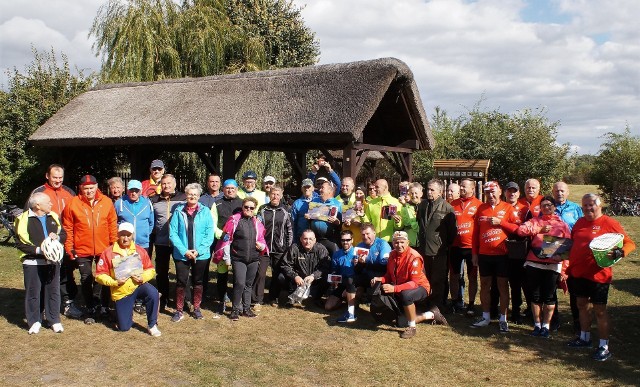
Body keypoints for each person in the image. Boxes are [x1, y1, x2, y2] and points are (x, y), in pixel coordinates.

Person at [566, 193, 635, 361]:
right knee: (581, 305)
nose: (588, 208)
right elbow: (573, 243)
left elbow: (630, 243)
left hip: (599, 275)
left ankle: (604, 346)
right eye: (585, 206)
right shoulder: (580, 222)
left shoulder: (609, 223)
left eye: (591, 205)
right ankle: (584, 338)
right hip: (578, 273)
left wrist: (620, 252)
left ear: (599, 206)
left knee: (600, 311)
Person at [28, 164, 82, 319]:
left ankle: (67, 303)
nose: (58, 180)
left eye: (60, 177)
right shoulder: (39, 192)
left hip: (66, 240)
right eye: (54, 177)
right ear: (47, 176)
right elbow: (29, 218)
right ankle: (45, 307)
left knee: (66, 273)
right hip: (46, 242)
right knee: (46, 273)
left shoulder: (69, 192)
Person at [62, 175, 118, 323]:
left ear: (97, 186)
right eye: (85, 188)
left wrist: (114, 245)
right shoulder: (73, 203)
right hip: (82, 248)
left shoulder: (106, 202)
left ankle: (104, 306)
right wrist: (69, 247)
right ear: (80, 189)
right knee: (86, 277)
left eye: (91, 188)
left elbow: (112, 224)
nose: (89, 191)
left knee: (104, 277)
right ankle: (90, 307)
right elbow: (67, 228)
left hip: (104, 247)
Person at [371, 231, 447, 339]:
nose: (399, 245)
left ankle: (412, 327)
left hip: (420, 287)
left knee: (406, 296)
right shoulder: (392, 255)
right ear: (393, 243)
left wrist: (394, 288)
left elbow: (414, 283)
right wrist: (380, 279)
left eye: (402, 242)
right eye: (396, 242)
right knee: (400, 322)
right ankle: (432, 314)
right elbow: (389, 275)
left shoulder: (414, 257)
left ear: (408, 242)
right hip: (401, 288)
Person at [516, 196, 570, 338]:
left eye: (549, 205)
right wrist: (539, 229)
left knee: (550, 296)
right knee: (535, 296)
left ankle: (546, 326)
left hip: (553, 265)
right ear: (540, 208)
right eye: (544, 205)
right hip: (534, 263)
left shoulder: (562, 224)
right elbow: (521, 231)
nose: (547, 207)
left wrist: (564, 269)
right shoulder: (535, 221)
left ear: (554, 207)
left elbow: (569, 247)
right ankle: (537, 324)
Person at [95, 222, 161, 336]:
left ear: (133, 235)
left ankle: (152, 324)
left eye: (128, 235)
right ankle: (120, 313)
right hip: (121, 291)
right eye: (122, 235)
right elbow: (99, 275)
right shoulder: (108, 252)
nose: (125, 238)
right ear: (118, 235)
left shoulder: (140, 250)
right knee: (124, 328)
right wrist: (114, 282)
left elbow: (150, 269)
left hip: (138, 286)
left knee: (153, 292)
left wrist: (142, 278)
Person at [470, 181, 520, 333]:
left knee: (502, 286)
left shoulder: (508, 208)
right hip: (485, 254)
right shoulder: (481, 208)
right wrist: (474, 253)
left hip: (502, 255)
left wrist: (502, 222)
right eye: (487, 193)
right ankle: (485, 317)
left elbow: (518, 228)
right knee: (485, 285)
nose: (490, 196)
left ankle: (503, 319)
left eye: (493, 192)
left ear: (500, 192)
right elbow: (475, 233)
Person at [15, 192, 67, 334]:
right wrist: (40, 250)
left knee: (53, 291)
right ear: (38, 205)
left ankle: (54, 320)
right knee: (33, 292)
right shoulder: (22, 219)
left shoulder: (53, 216)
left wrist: (57, 237)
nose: (51, 204)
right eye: (48, 202)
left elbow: (63, 234)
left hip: (52, 262)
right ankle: (34, 321)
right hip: (32, 262)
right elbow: (20, 243)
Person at [215, 197, 268, 321]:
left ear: (255, 209)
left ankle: (246, 309)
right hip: (238, 258)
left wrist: (261, 246)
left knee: (248, 285)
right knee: (239, 283)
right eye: (246, 207)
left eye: (251, 208)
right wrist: (227, 257)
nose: (248, 209)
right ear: (242, 207)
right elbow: (227, 241)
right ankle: (235, 309)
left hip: (254, 258)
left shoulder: (257, 223)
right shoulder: (234, 221)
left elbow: (261, 239)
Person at [169, 183, 215, 322]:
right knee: (181, 282)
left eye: (195, 194)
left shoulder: (205, 211)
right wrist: (184, 251)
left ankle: (196, 308)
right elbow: (173, 233)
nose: (192, 196)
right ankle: (179, 310)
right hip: (181, 254)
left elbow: (209, 233)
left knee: (198, 281)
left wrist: (198, 251)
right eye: (190, 194)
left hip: (201, 254)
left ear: (199, 196)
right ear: (186, 194)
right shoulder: (178, 211)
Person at [416, 179, 457, 310]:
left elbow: (452, 232)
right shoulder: (422, 205)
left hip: (438, 251)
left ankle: (437, 306)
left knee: (438, 280)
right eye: (428, 189)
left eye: (432, 190)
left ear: (440, 192)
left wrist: (442, 244)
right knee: (424, 278)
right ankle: (424, 302)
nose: (429, 192)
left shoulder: (447, 208)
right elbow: (419, 223)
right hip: (423, 249)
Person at [150, 174, 187, 310]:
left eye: (169, 183)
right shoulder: (154, 200)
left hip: (179, 243)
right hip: (161, 242)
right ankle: (163, 298)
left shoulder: (183, 198)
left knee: (181, 273)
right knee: (162, 272)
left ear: (175, 184)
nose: (166, 186)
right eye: (164, 183)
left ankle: (181, 300)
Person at [552, 181, 584, 332]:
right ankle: (554, 319)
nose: (560, 193)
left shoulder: (576, 208)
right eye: (557, 191)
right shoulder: (547, 206)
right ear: (553, 192)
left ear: (568, 192)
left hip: (572, 249)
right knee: (552, 285)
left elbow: (583, 226)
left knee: (573, 286)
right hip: (553, 247)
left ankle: (577, 320)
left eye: (562, 191)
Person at [449, 178, 482, 315]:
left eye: (464, 187)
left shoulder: (479, 205)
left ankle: (471, 304)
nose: (461, 189)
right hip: (455, 246)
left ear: (472, 189)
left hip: (471, 247)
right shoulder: (453, 204)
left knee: (472, 276)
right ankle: (455, 302)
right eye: (460, 186)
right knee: (454, 275)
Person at [255, 185, 293, 307]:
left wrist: (288, 247)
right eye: (273, 194)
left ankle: (273, 297)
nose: (275, 196)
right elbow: (256, 227)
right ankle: (257, 299)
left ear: (281, 196)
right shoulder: (262, 209)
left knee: (277, 275)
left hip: (280, 249)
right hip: (263, 248)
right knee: (260, 273)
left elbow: (290, 231)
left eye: (277, 194)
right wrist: (258, 243)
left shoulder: (286, 210)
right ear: (269, 195)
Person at [211, 179, 243, 316]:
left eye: (232, 188)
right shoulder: (217, 203)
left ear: (237, 189)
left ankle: (238, 299)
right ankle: (222, 297)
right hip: (223, 242)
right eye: (227, 188)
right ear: (223, 189)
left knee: (238, 272)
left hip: (239, 243)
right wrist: (221, 234)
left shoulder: (242, 203)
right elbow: (213, 223)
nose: (230, 190)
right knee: (222, 271)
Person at [279, 230, 331, 305]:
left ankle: (317, 298)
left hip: (314, 280)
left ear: (315, 240)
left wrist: (313, 276)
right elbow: (285, 265)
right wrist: (295, 276)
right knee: (281, 277)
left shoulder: (321, 249)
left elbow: (325, 266)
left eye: (310, 239)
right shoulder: (294, 248)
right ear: (301, 239)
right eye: (305, 238)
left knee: (327, 277)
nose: (308, 241)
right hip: (298, 280)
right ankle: (292, 295)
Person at [503, 181, 529, 323]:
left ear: (519, 193)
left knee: (516, 282)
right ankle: (498, 309)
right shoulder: (500, 207)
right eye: (509, 191)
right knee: (499, 281)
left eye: (515, 191)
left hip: (518, 249)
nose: (512, 193)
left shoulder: (525, 209)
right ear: (505, 193)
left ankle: (516, 311)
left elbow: (523, 229)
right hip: (501, 248)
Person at [325, 230, 358, 322]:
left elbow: (360, 272)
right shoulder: (336, 254)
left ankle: (352, 306)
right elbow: (334, 270)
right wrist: (334, 278)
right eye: (343, 240)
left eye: (348, 240)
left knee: (353, 287)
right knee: (328, 307)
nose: (345, 242)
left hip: (354, 284)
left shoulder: (357, 253)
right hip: (342, 282)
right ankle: (345, 302)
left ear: (352, 240)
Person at [114, 179, 154, 253]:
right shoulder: (119, 203)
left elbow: (151, 222)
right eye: (131, 190)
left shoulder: (147, 203)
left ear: (141, 191)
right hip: (124, 243)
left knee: (143, 264)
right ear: (127, 190)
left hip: (143, 244)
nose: (133, 193)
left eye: (136, 191)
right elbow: (114, 222)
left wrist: (145, 234)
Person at [354, 223, 391, 301]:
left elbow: (384, 266)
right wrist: (360, 263)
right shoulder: (359, 246)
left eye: (368, 234)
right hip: (366, 276)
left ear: (374, 233)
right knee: (352, 282)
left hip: (380, 276)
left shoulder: (383, 244)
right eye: (363, 234)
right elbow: (357, 270)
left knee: (375, 295)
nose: (365, 237)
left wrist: (367, 261)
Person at [306, 180, 342, 256]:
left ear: (330, 191)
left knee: (333, 261)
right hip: (316, 239)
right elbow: (309, 217)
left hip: (331, 239)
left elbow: (343, 224)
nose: (320, 190)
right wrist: (307, 217)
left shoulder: (338, 204)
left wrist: (337, 222)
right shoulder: (314, 201)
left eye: (322, 188)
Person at [395, 182, 423, 247]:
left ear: (421, 194)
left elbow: (420, 226)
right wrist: (398, 221)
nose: (413, 195)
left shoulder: (425, 205)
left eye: (416, 193)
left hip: (422, 243)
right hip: (410, 243)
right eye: (411, 193)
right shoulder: (406, 206)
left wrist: (412, 225)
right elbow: (406, 223)